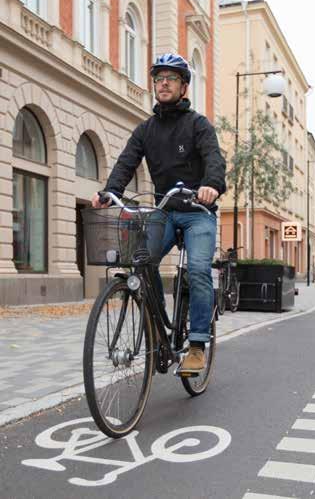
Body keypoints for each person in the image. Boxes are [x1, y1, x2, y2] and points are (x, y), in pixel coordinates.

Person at [92, 53, 226, 372]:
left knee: (196, 269)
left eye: (172, 78)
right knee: (139, 258)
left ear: (184, 86)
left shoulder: (198, 125)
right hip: (164, 209)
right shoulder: (146, 130)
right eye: (159, 78)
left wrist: (211, 185)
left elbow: (214, 160)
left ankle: (196, 344)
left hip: (197, 210)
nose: (163, 83)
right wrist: (110, 192)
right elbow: (127, 162)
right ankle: (156, 326)